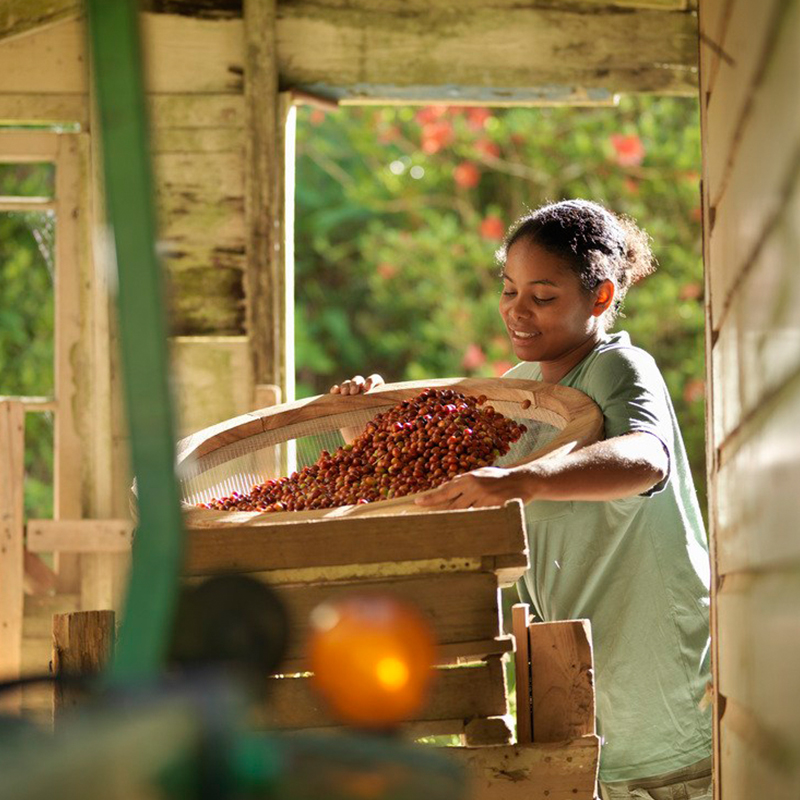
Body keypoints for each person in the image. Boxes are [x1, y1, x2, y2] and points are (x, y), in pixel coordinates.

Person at [331, 200, 712, 799]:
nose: (517, 310)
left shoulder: (619, 368)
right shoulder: (520, 393)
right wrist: (367, 433)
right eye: (508, 290)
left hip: (657, 687)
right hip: (575, 694)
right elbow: (448, 491)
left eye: (543, 295)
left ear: (602, 297)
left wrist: (525, 480)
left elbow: (646, 459)